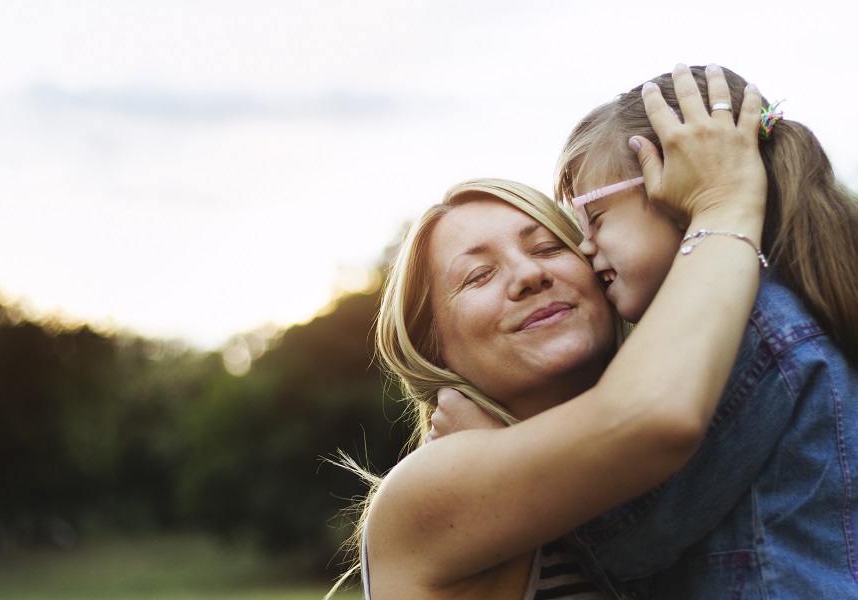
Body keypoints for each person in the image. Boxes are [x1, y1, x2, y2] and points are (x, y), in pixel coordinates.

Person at [327, 66, 769, 599]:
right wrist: (726, 203)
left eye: (547, 248)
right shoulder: (428, 489)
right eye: (479, 275)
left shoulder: (687, 466)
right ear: (434, 346)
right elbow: (654, 418)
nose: (530, 275)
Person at [434, 64, 858, 598]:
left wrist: (500, 456)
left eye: (596, 217)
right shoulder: (779, 312)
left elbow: (625, 537)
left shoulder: (751, 331)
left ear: (680, 190)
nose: (584, 248)